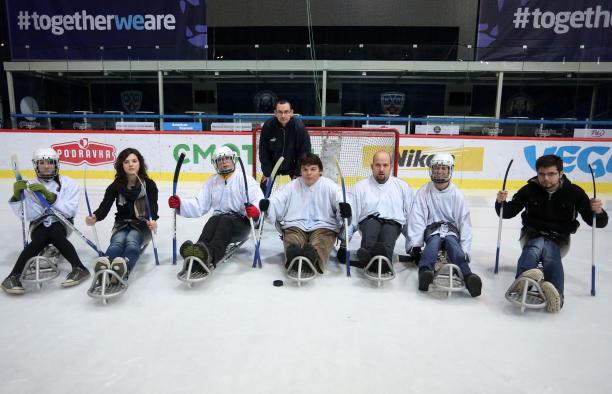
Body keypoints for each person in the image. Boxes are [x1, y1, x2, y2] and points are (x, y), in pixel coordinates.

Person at [496, 154, 608, 312]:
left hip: (560, 239)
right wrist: (500, 202)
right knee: (537, 245)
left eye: (551, 174)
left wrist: (599, 211)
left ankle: (533, 285)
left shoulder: (574, 193)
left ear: (561, 174)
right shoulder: (529, 189)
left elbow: (597, 222)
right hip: (531, 235)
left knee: (548, 249)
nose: (545, 178)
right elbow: (506, 213)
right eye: (541, 174)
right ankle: (529, 285)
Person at [2, 148, 90, 294]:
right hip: (38, 225)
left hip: (62, 222)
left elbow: (70, 211)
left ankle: (79, 267)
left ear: (56, 164)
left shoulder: (68, 183)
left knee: (54, 232)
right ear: (36, 165)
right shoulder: (29, 185)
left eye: (50, 162)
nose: (47, 166)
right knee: (41, 236)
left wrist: (51, 198)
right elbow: (28, 215)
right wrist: (18, 197)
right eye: (42, 163)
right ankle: (14, 276)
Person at [168, 146, 263, 273]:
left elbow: (258, 199)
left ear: (233, 160)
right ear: (215, 164)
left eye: (227, 158)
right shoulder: (211, 181)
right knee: (213, 221)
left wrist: (255, 210)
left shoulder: (244, 179)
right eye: (220, 160)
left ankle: (210, 255)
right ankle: (197, 251)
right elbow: (200, 204)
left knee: (224, 221)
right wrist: (180, 204)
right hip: (219, 219)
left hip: (241, 223)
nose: (224, 162)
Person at [258, 153, 352, 275]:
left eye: (313, 169)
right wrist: (268, 205)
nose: (309, 173)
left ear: (320, 171)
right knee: (292, 241)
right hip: (295, 226)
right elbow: (276, 200)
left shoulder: (330, 186)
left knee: (321, 243)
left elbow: (342, 200)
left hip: (323, 227)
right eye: (305, 169)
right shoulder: (291, 186)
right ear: (300, 171)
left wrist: (345, 209)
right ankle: (294, 259)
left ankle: (313, 260)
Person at [408, 153, 482, 297]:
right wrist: (416, 245)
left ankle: (468, 276)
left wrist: (465, 249)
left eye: (443, 168)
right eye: (436, 168)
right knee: (432, 245)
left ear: (450, 170)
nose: (439, 171)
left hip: (451, 231)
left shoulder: (457, 195)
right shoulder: (423, 192)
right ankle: (425, 272)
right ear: (431, 170)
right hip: (432, 230)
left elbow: (464, 222)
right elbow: (417, 218)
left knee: (453, 246)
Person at [85, 148, 158, 281]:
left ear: (140, 163)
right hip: (122, 224)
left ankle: (123, 268)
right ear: (121, 165)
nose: (131, 164)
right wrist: (95, 216)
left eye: (134, 161)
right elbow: (104, 207)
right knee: (117, 242)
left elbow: (153, 208)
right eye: (126, 162)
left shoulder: (149, 185)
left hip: (142, 225)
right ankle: (105, 265)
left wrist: (152, 220)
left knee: (131, 241)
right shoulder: (115, 186)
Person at [340, 150, 413, 273]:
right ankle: (372, 257)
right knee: (370, 234)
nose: (381, 169)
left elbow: (410, 216)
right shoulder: (359, 188)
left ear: (391, 166)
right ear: (371, 167)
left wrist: (413, 245)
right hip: (369, 221)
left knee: (387, 237)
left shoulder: (402, 187)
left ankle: (380, 262)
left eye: (385, 165)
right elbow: (353, 217)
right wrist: (344, 243)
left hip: (393, 223)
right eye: (378, 165)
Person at [258, 100, 311, 192]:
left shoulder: (299, 127)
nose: (283, 115)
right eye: (280, 112)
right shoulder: (268, 126)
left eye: (286, 112)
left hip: (293, 165)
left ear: (291, 112)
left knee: (300, 190)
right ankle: (262, 205)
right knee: (263, 188)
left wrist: (298, 172)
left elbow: (304, 152)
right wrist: (267, 172)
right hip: (273, 165)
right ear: (275, 113)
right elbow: (263, 151)